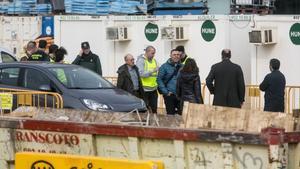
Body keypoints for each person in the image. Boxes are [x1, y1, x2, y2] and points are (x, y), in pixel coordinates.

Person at [157, 49, 182, 115]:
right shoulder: (164, 66)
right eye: (174, 55)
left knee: (182, 114)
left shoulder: (183, 66)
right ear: (170, 55)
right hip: (169, 95)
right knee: (170, 115)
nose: (176, 56)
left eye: (178, 55)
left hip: (180, 95)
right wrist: (166, 92)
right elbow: (159, 80)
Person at [136, 46, 159, 113]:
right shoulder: (141, 61)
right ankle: (145, 123)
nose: (153, 55)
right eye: (152, 53)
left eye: (154, 53)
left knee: (154, 109)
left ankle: (153, 123)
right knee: (145, 109)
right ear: (147, 52)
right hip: (144, 90)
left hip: (153, 89)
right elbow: (140, 74)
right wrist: (152, 70)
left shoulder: (154, 61)